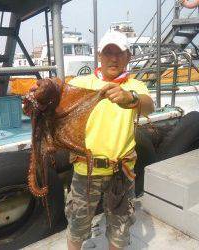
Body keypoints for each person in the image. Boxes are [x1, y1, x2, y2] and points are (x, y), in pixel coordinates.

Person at [65, 31, 154, 250]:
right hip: (85, 171)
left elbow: (149, 105)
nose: (113, 58)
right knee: (77, 227)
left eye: (119, 53)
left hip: (121, 173)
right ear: (99, 56)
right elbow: (57, 103)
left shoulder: (135, 87)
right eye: (108, 52)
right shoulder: (80, 83)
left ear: (128, 57)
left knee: (119, 231)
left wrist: (130, 98)